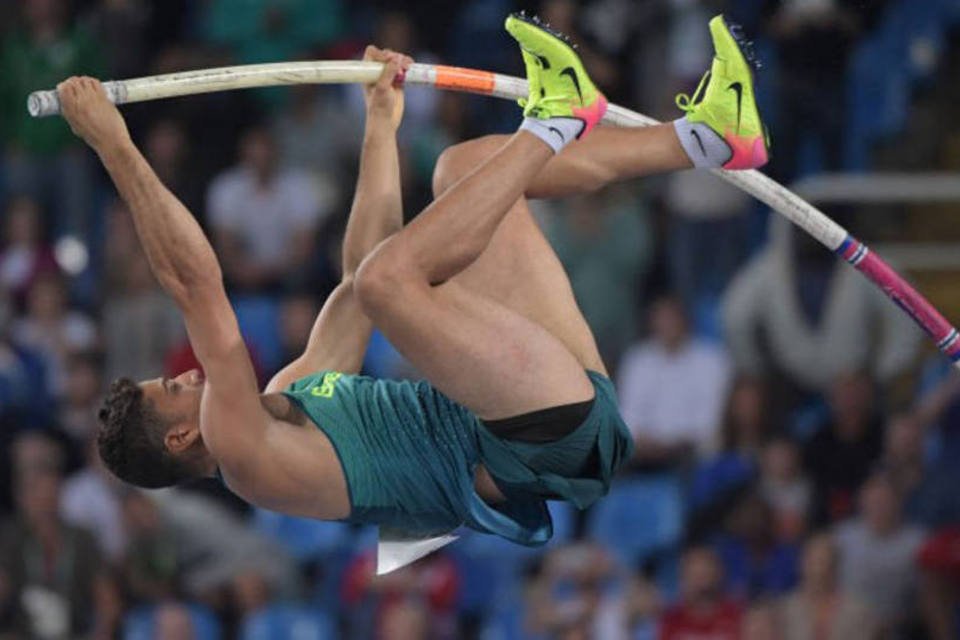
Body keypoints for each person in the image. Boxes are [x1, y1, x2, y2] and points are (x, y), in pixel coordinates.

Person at [60, 14, 768, 546]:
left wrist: (380, 126)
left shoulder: (288, 398)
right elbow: (195, 284)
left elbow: (359, 274)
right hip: (537, 441)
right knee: (387, 280)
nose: (186, 377)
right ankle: (556, 122)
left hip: (544, 395)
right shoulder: (247, 458)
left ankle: (706, 139)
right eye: (174, 391)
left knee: (460, 171)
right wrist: (114, 143)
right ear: (183, 439)